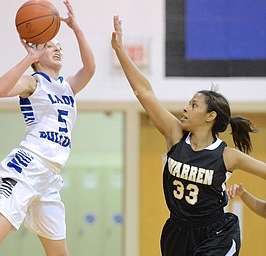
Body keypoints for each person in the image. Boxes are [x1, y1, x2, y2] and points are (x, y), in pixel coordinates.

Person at [0, 0, 95, 255]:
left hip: (49, 178)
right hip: (27, 167)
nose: (57, 49)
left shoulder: (67, 87)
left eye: (59, 46)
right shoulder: (33, 83)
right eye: (50, 46)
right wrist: (28, 58)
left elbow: (90, 68)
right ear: (38, 55)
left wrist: (77, 29)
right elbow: (0, 89)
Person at [111, 15, 266, 256]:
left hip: (216, 234)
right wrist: (119, 50)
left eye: (193, 105)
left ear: (210, 116)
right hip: (177, 231)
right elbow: (144, 92)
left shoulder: (227, 156)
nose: (186, 108)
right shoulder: (175, 135)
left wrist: (247, 197)